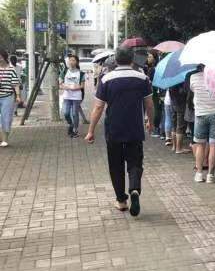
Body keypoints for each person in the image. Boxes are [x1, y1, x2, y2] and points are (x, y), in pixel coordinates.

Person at [85, 48, 154, 217]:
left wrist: (90, 130)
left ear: (115, 60)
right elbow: (149, 104)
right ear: (132, 60)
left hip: (113, 129)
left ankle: (121, 200)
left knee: (115, 165)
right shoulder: (142, 78)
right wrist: (150, 121)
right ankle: (134, 188)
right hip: (135, 128)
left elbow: (98, 107)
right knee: (135, 162)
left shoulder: (106, 79)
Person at [190, 66, 215, 183]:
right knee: (214, 145)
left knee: (200, 145)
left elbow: (193, 90)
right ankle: (210, 175)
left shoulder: (193, 77)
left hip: (200, 113)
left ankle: (199, 174)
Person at [59, 54, 86, 138]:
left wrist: (75, 88)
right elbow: (60, 84)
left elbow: (82, 86)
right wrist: (65, 87)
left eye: (73, 60)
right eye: (70, 60)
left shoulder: (81, 73)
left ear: (77, 62)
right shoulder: (64, 71)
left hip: (76, 96)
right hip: (67, 96)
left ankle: (75, 130)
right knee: (66, 113)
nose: (71, 62)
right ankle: (71, 124)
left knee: (75, 114)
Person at [0, 50, 21, 147]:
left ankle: (5, 139)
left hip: (8, 96)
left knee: (6, 118)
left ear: (5, 57)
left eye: (1, 57)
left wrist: (18, 96)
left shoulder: (11, 69)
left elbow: (15, 84)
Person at [168, 83, 189, 154]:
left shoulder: (171, 81)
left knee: (174, 125)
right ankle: (179, 148)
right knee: (180, 127)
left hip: (173, 103)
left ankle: (174, 146)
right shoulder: (180, 82)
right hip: (180, 104)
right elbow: (183, 92)